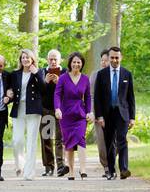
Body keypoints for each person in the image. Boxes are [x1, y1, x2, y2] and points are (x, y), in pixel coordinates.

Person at [7, 48, 51, 180]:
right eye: (23, 57)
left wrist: (37, 73)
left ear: (32, 59)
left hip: (33, 109)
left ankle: (29, 172)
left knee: (31, 141)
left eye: (28, 57)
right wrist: (8, 92)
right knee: (17, 140)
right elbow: (9, 87)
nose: (25, 59)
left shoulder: (39, 72)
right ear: (20, 60)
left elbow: (44, 90)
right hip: (18, 108)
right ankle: (20, 163)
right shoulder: (15, 74)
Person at [93, 45, 136, 180]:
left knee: (122, 140)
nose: (114, 60)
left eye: (117, 58)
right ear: (109, 58)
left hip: (122, 113)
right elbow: (98, 98)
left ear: (121, 58)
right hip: (107, 114)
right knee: (109, 142)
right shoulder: (101, 74)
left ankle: (124, 169)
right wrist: (99, 115)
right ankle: (111, 171)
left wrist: (132, 117)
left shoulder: (126, 74)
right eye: (112, 57)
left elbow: (131, 98)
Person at [54, 51, 92, 179]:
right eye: (74, 62)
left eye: (79, 62)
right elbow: (57, 94)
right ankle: (70, 172)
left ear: (82, 64)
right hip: (66, 114)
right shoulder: (63, 78)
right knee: (69, 143)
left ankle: (83, 169)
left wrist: (89, 112)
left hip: (80, 114)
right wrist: (57, 109)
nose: (76, 64)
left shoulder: (85, 79)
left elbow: (87, 97)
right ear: (70, 63)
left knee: (81, 139)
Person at [40, 50, 67, 176]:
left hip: (60, 110)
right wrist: (45, 81)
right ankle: (49, 167)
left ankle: (61, 166)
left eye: (55, 59)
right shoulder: (41, 72)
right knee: (46, 138)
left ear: (60, 60)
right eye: (51, 59)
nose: (53, 61)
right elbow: (38, 91)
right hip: (45, 109)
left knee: (60, 138)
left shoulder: (65, 72)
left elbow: (70, 91)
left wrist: (59, 82)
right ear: (47, 59)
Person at [92, 48, 111, 171]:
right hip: (99, 112)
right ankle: (106, 166)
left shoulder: (118, 74)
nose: (103, 63)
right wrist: (92, 112)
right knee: (101, 140)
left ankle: (112, 161)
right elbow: (90, 95)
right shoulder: (95, 75)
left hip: (115, 113)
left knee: (115, 139)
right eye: (102, 60)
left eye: (106, 60)